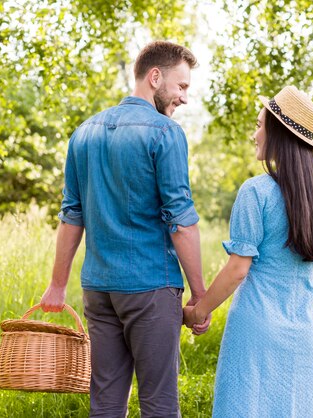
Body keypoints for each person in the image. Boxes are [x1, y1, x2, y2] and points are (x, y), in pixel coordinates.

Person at [40, 41, 211, 418]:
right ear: (155, 77)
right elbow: (181, 221)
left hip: (98, 289)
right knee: (159, 403)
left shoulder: (83, 134)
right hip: (150, 286)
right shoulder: (165, 133)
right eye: (181, 87)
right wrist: (199, 295)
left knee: (105, 402)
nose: (183, 98)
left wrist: (57, 284)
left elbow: (72, 215)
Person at [183, 86, 313, 417]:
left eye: (260, 125)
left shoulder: (257, 191)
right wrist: (303, 327)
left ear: (278, 132)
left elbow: (238, 269)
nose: (255, 134)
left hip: (255, 330)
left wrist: (198, 312)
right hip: (304, 333)